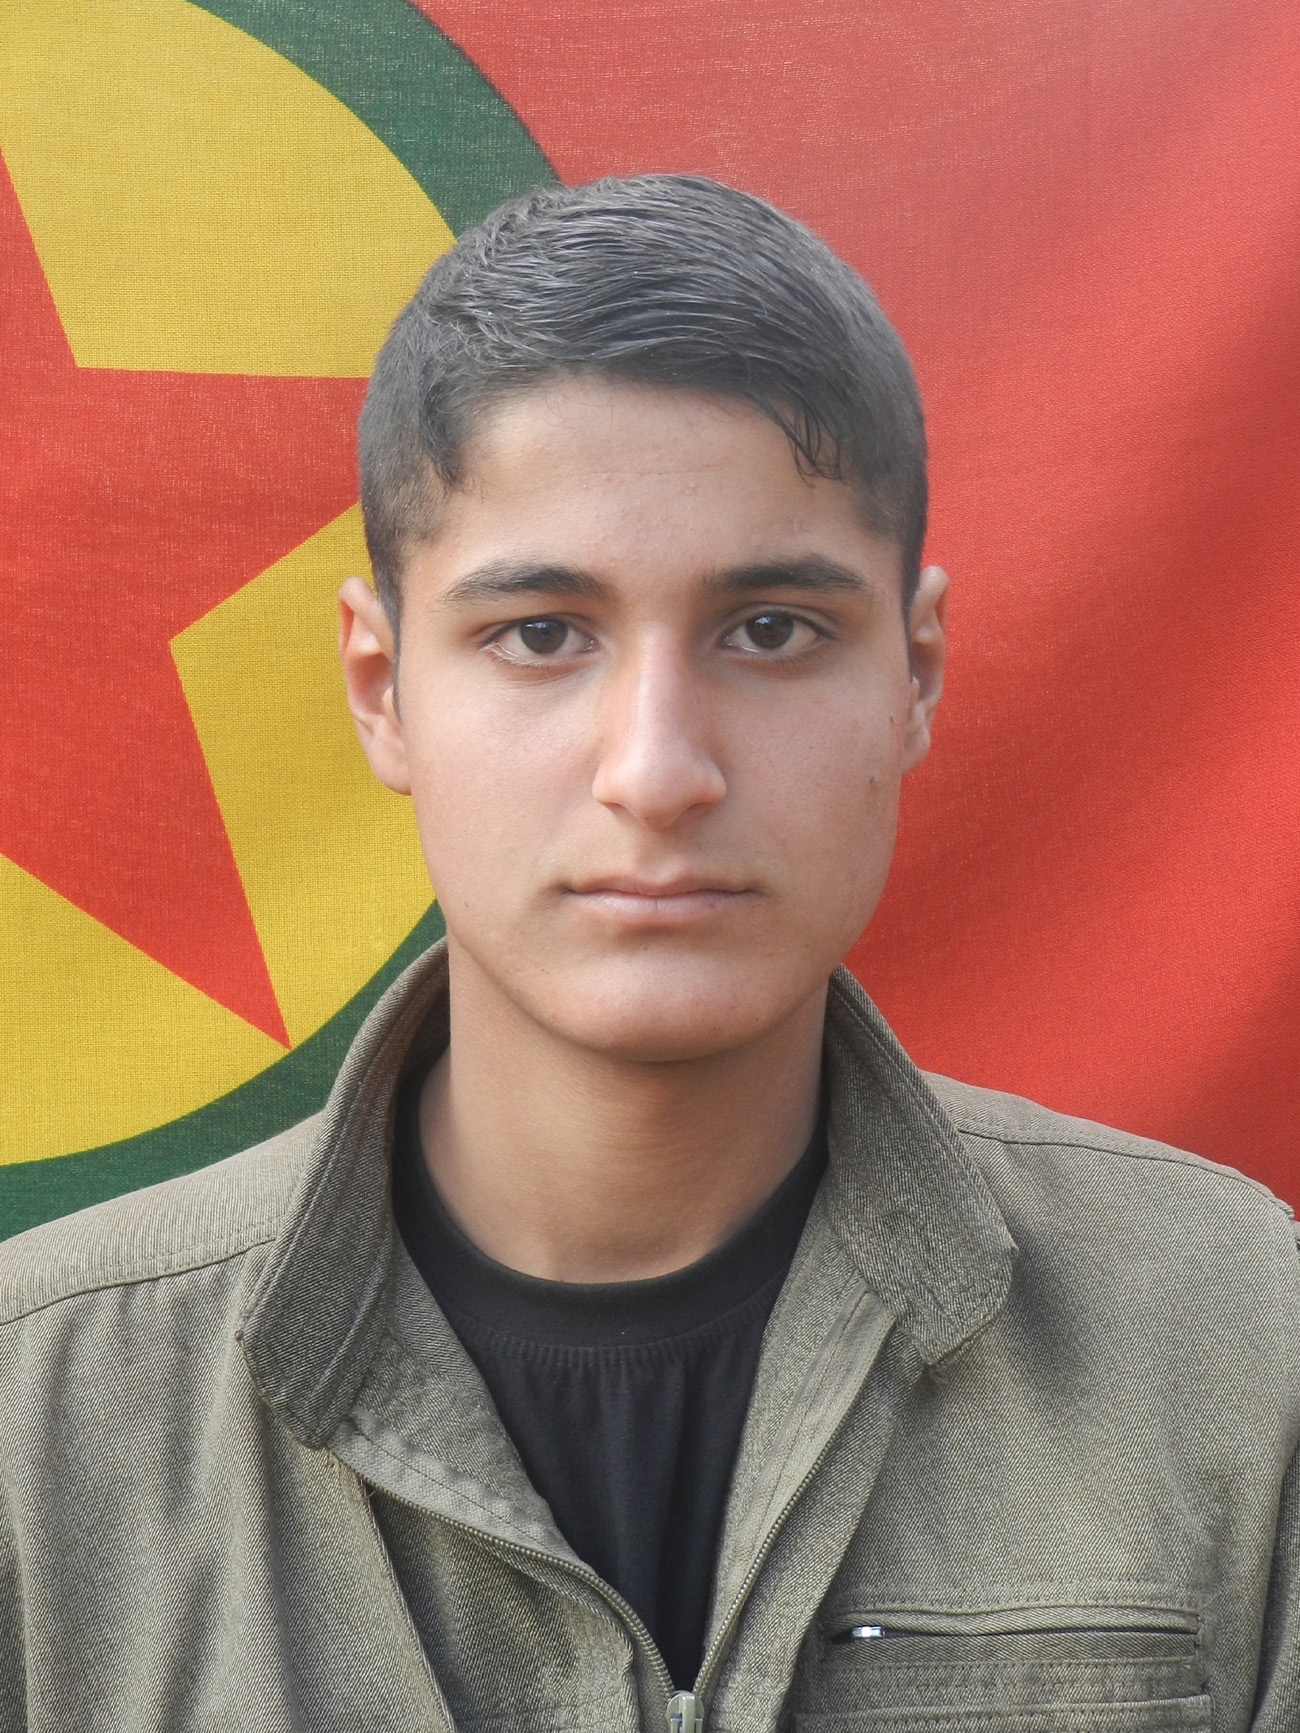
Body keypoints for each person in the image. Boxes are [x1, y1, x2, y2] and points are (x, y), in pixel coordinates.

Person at [1, 174, 1296, 1733]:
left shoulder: (1244, 1340)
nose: (658, 769)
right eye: (544, 633)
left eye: (771, 629)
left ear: (915, 674)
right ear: (382, 687)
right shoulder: (39, 1419)